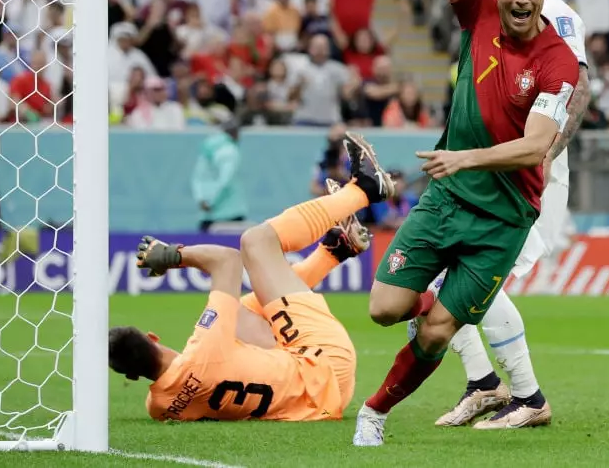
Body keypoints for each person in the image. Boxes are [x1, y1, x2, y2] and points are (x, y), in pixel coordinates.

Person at [353, 0, 581, 447]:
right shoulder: (475, 12)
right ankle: (461, 336)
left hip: (503, 214)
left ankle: (374, 413)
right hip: (450, 199)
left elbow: (538, 145)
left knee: (434, 331)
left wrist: (466, 157)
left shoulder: (558, 61)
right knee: (384, 310)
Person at [423, 0, 592, 430]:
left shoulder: (559, 18)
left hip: (522, 174)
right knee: (430, 277)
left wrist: (543, 157)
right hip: (477, 171)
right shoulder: (490, 12)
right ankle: (484, 384)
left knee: (478, 281)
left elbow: (578, 89)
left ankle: (526, 395)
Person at [108, 133, 395, 422]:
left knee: (241, 314)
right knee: (255, 242)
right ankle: (364, 190)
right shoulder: (206, 345)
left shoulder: (160, 407)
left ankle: (336, 250)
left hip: (321, 402)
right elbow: (226, 261)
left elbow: (176, 385)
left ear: (132, 376)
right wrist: (172, 255)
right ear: (152, 337)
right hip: (324, 363)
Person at [191, 117, 248, 232]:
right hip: (230, 212)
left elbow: (197, 178)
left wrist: (202, 199)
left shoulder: (206, 148)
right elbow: (225, 180)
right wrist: (211, 202)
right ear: (235, 133)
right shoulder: (230, 151)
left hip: (207, 214)